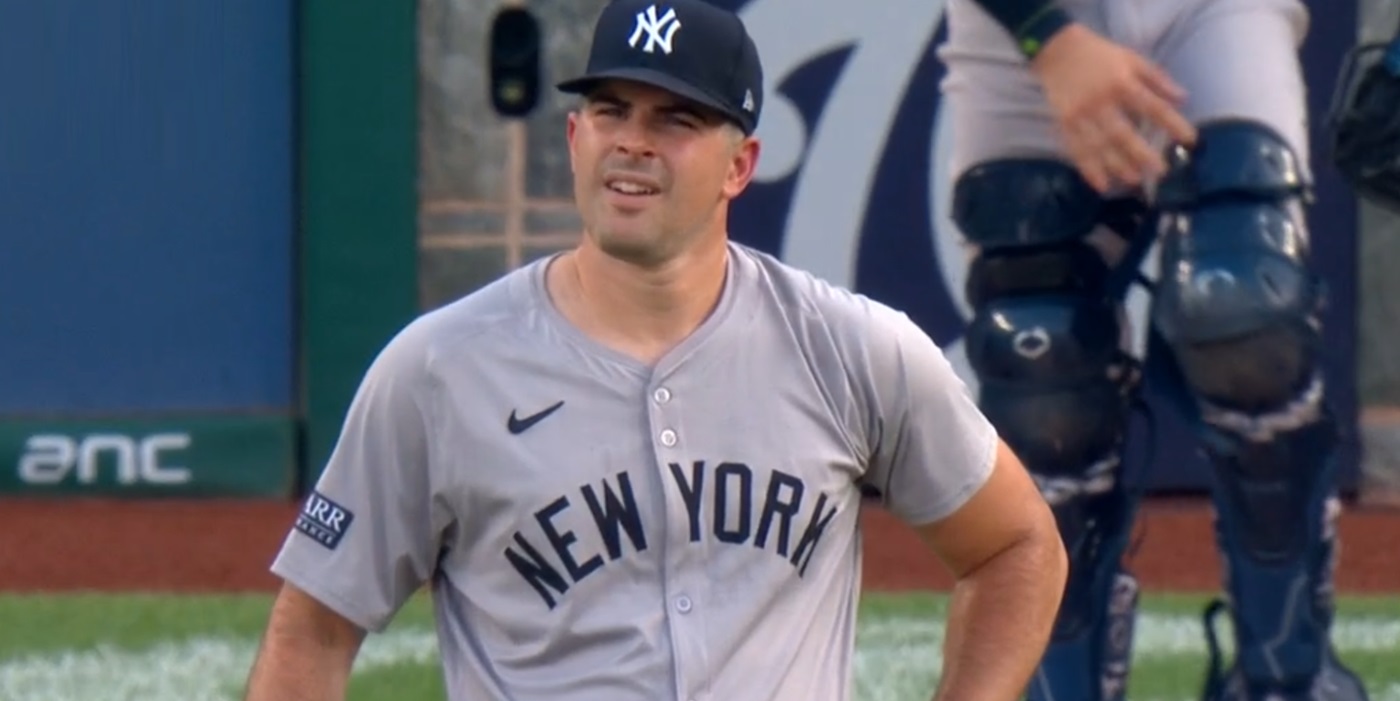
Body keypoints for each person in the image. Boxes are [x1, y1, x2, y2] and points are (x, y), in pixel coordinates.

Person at [241, 1, 1068, 699]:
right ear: (574, 137)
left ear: (740, 165)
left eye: (675, 119)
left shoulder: (849, 348)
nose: (633, 142)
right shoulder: (438, 370)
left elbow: (1014, 545)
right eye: (612, 111)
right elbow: (314, 626)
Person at [937, 0, 1371, 699]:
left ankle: (1289, 672)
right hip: (1018, 30)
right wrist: (1045, 37)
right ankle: (1058, 685)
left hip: (1216, 10)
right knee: (1039, 356)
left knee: (1245, 308)